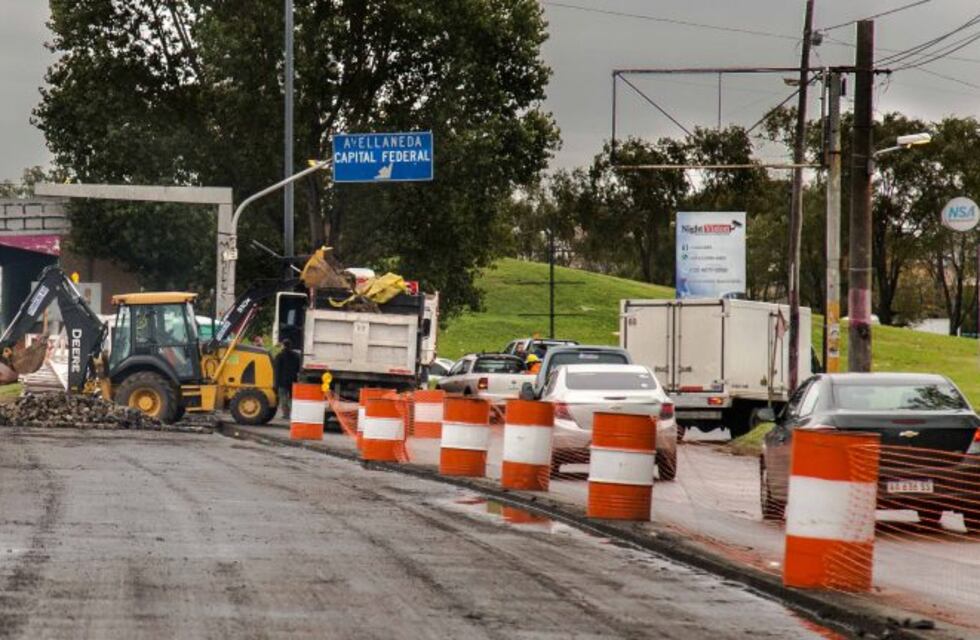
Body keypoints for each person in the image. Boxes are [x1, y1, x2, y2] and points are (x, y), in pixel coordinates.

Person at [273, 338, 301, 419]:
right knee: (292, 397)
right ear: (290, 345)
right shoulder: (296, 356)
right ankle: (294, 413)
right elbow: (298, 368)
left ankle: (286, 414)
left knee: (283, 397)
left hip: (282, 380)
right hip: (293, 379)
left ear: (283, 345)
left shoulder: (279, 356)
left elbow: (277, 370)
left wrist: (276, 383)